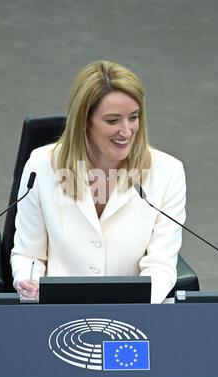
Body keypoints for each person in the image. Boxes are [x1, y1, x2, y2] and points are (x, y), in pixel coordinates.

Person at [11, 60, 186, 303]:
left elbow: (161, 266)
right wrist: (28, 281)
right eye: (113, 121)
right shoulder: (41, 166)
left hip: (133, 316)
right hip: (55, 312)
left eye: (133, 117)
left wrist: (130, 309)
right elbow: (29, 254)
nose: (126, 131)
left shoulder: (168, 172)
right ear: (84, 121)